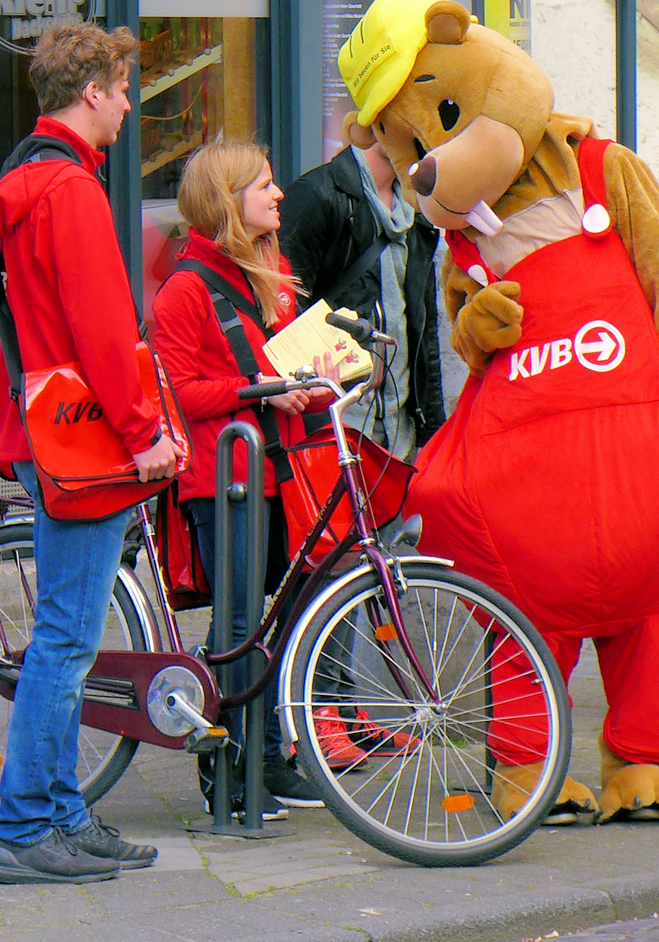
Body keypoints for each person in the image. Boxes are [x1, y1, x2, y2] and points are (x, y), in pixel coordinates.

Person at [0, 23, 182, 885]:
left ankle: (62, 813)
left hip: (39, 429)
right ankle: (24, 828)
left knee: (66, 635)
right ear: (90, 92)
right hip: (88, 438)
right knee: (66, 640)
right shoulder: (74, 193)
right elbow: (104, 330)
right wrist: (147, 433)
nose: (131, 104)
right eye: (124, 88)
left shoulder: (31, 179)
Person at [152, 139, 331, 816]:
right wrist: (254, 390)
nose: (279, 193)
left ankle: (270, 756)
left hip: (279, 471)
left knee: (280, 617)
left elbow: (281, 366)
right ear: (229, 203)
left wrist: (316, 377)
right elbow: (176, 393)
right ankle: (230, 767)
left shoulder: (272, 268)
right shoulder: (185, 289)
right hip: (223, 479)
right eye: (263, 185)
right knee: (237, 625)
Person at [279, 140, 445, 767]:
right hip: (339, 420)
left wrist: (428, 417)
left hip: (394, 417)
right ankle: (317, 715)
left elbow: (420, 319)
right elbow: (284, 304)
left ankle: (346, 711)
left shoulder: (416, 208)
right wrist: (341, 372)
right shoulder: (321, 195)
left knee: (371, 573)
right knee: (334, 569)